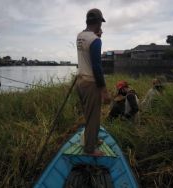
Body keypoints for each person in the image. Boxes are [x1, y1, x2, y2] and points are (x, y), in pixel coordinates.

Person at [76, 8, 109, 156]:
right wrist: (104, 90)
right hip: (90, 83)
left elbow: (86, 52)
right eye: (101, 23)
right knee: (94, 117)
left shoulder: (80, 36)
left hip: (80, 82)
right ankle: (90, 149)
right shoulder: (96, 41)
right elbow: (97, 66)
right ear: (98, 23)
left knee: (89, 114)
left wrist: (95, 35)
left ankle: (93, 139)